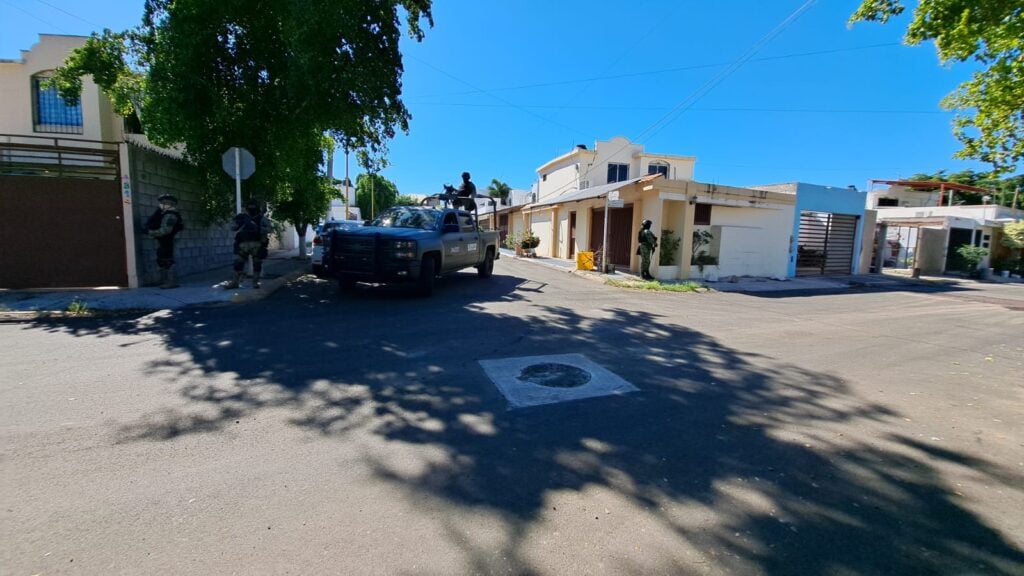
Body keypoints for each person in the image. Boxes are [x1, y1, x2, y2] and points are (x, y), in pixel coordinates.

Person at [226, 198, 273, 289]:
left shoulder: (261, 219)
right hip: (243, 244)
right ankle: (235, 282)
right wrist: (240, 222)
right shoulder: (242, 217)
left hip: (256, 244)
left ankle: (255, 282)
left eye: (253, 207)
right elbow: (233, 227)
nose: (251, 209)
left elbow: (270, 229)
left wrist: (259, 229)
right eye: (250, 207)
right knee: (238, 263)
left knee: (257, 264)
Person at [145, 193, 184, 288]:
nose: (161, 204)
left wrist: (150, 232)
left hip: (169, 240)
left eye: (164, 202)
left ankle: (172, 282)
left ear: (170, 204)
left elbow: (165, 230)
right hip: (164, 240)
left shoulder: (171, 215)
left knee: (168, 261)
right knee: (161, 260)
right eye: (162, 202)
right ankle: (163, 281)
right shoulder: (165, 214)